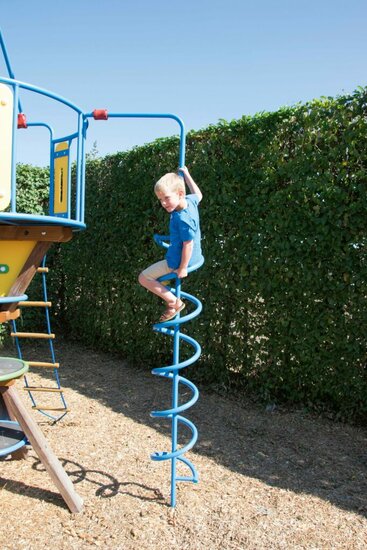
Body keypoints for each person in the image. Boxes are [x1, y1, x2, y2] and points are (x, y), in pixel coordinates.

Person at [138, 166, 203, 322]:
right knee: (158, 275)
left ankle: (174, 302)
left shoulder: (183, 218)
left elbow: (188, 244)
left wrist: (181, 268)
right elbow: (198, 194)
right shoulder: (190, 201)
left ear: (180, 194)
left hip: (179, 261)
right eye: (160, 200)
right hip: (196, 256)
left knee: (144, 277)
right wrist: (187, 174)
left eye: (166, 198)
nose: (163, 203)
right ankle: (166, 281)